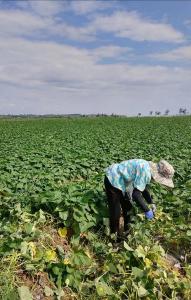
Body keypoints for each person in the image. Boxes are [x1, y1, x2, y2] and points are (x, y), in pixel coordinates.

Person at [104, 159, 174, 236]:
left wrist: (151, 202)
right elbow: (135, 194)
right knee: (115, 211)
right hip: (113, 178)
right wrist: (146, 210)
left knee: (127, 207)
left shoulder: (147, 169)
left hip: (123, 182)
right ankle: (114, 236)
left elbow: (143, 188)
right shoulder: (146, 171)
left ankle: (127, 233)